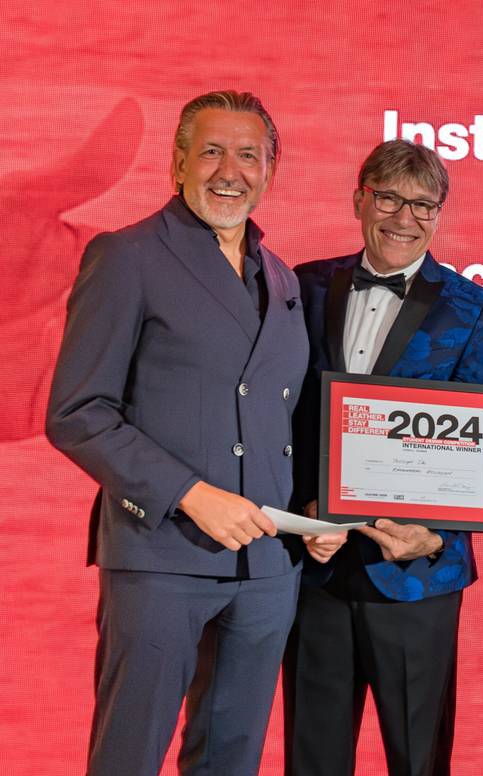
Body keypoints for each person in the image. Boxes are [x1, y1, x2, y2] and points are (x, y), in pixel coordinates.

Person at [45, 90, 307, 776]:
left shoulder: (281, 278)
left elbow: (280, 417)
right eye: (212, 150)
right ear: (178, 162)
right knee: (130, 756)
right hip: (160, 557)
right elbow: (78, 413)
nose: (230, 170)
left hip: (265, 567)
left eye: (248, 155)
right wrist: (190, 493)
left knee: (232, 760)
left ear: (271, 172)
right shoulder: (127, 257)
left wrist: (311, 513)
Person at [282, 139, 483, 776]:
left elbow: (479, 447)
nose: (404, 218)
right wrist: (302, 515)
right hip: (317, 570)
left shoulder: (475, 309)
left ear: (439, 215)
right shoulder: (304, 286)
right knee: (312, 757)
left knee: (418, 759)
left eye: (423, 205)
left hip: (416, 576)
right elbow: (282, 416)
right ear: (360, 199)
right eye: (388, 198)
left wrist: (433, 534)